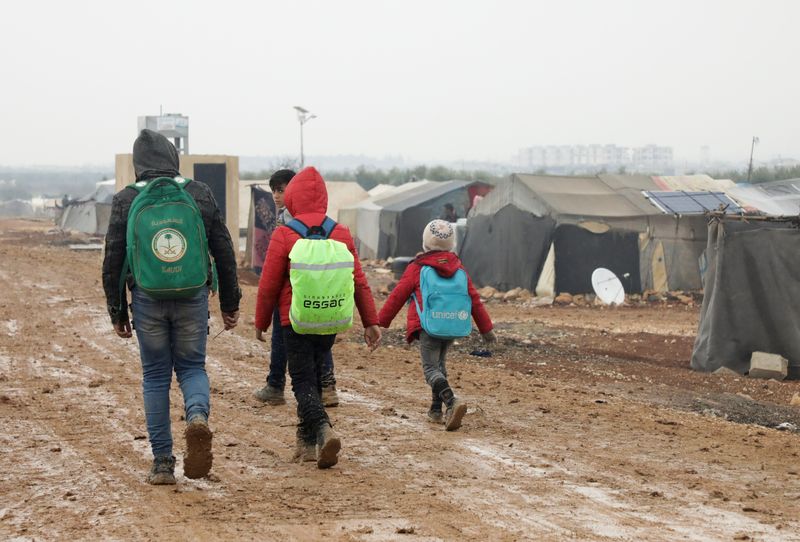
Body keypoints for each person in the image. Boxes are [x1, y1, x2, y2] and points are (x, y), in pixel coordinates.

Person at [102, 129, 241, 485]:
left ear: (138, 165)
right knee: (193, 367)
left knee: (155, 377)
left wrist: (117, 311)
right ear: (172, 158)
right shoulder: (198, 193)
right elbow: (224, 250)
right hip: (193, 296)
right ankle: (197, 417)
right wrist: (229, 303)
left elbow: (113, 259)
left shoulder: (125, 200)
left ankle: (163, 463)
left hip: (147, 299)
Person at [255, 167, 381, 468]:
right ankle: (306, 444)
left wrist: (261, 322)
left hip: (294, 321)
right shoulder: (340, 232)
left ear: (294, 198)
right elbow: (358, 280)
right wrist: (370, 321)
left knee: (302, 382)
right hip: (330, 319)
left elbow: (269, 284)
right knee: (312, 374)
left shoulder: (284, 234)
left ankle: (323, 428)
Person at [378, 219, 494, 431]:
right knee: (440, 366)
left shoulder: (417, 268)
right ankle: (435, 410)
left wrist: (380, 323)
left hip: (427, 326)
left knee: (430, 368)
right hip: (451, 324)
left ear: (425, 243)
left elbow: (397, 296)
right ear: (451, 244)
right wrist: (487, 330)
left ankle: (451, 402)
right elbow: (474, 299)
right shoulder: (459, 268)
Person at [254, 169, 340, 407]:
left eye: (281, 190)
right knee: (322, 334)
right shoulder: (325, 224)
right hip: (320, 288)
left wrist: (261, 319)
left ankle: (277, 385)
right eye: (273, 190)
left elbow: (273, 274)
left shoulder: (289, 221)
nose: (275, 195)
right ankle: (327, 386)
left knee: (285, 340)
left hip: (291, 290)